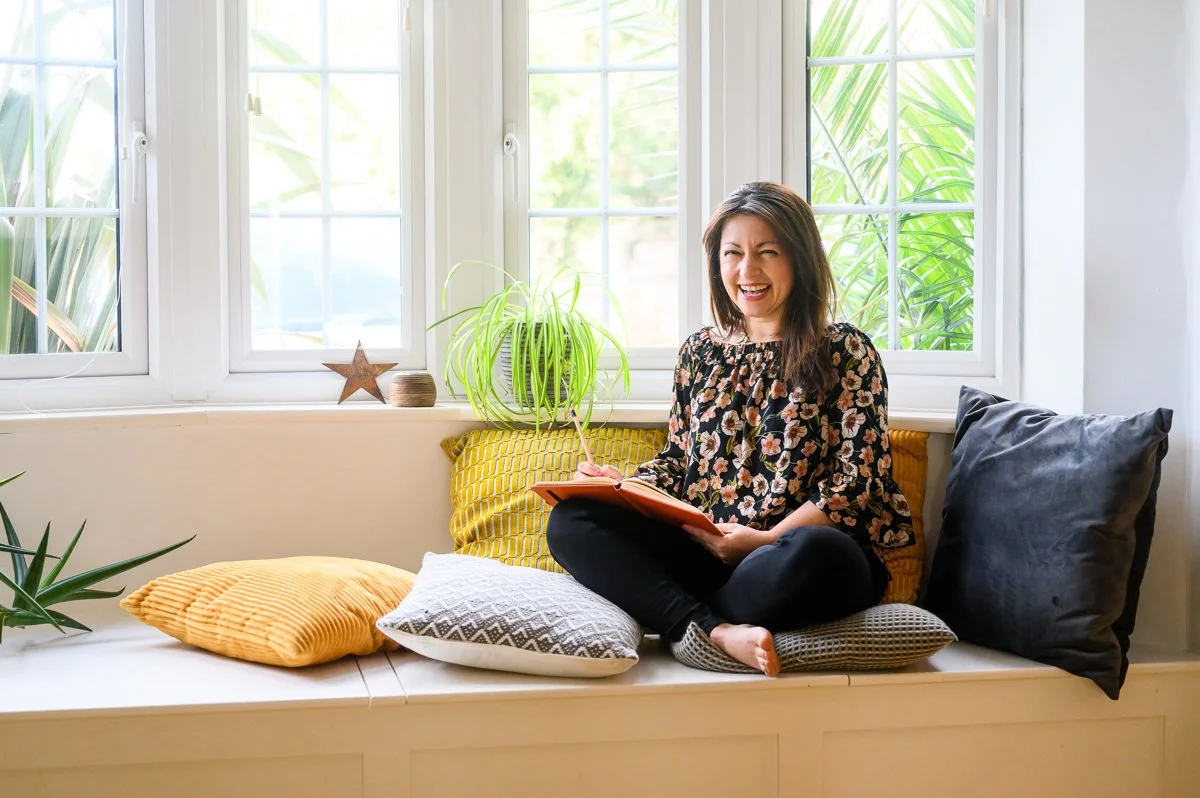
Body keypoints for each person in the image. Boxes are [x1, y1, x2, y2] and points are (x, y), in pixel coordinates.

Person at [544, 181, 915, 677]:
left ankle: (678, 611)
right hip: (707, 551)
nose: (747, 271)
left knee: (822, 553)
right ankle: (716, 631)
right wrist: (625, 487)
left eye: (767, 252)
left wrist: (761, 541)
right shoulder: (699, 352)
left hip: (790, 557)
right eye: (733, 254)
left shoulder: (846, 350)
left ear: (800, 259)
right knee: (571, 520)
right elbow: (680, 458)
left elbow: (854, 485)